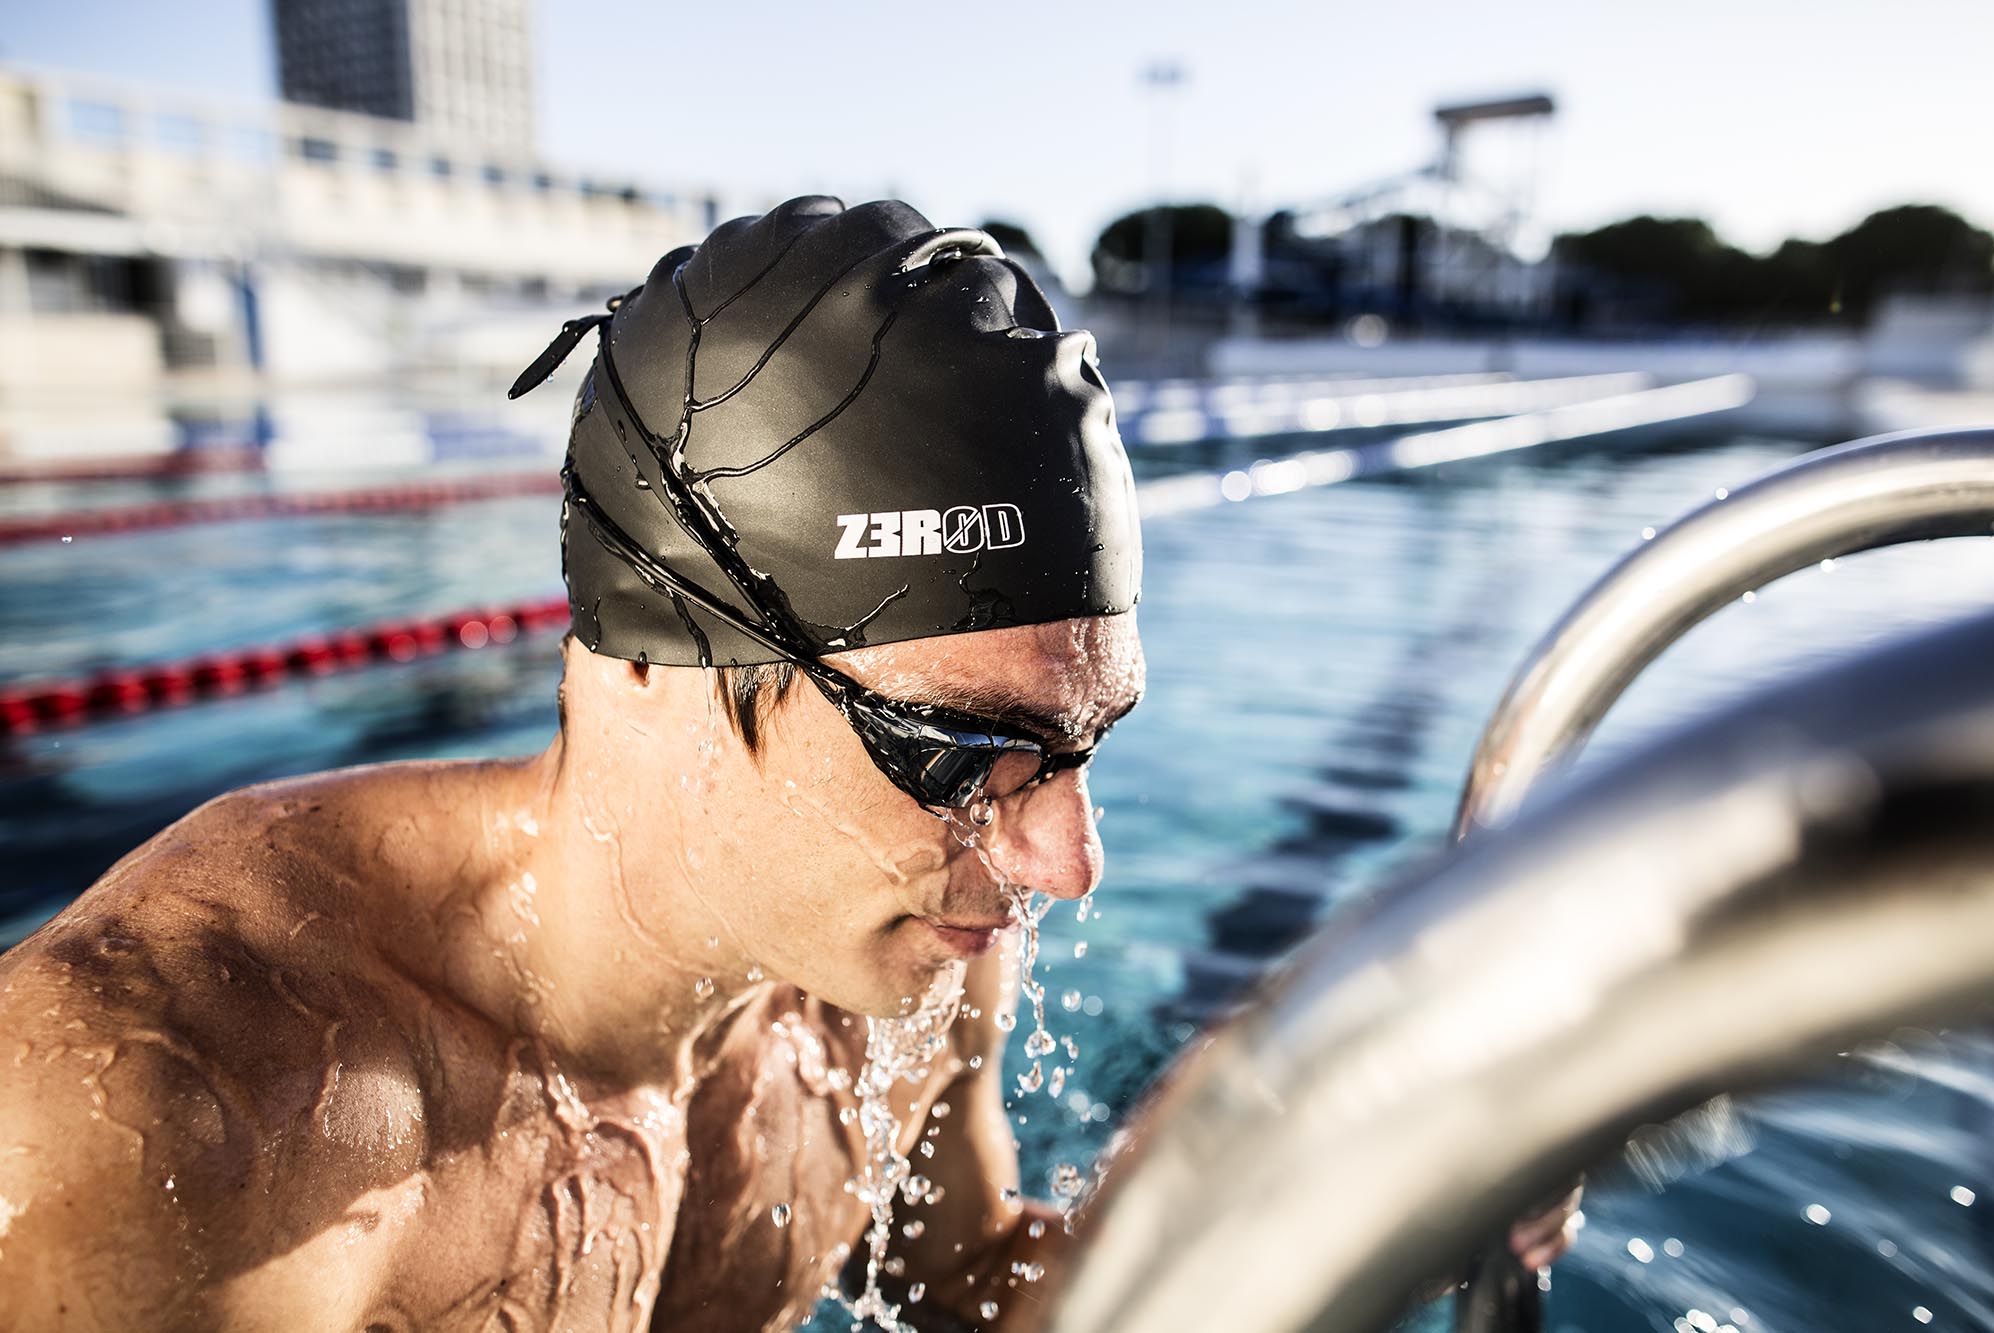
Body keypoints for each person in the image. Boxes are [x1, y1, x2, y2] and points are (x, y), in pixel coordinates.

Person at [0, 197, 1575, 1331]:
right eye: (963, 746)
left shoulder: (910, 945)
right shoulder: (186, 1124)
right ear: (655, 666)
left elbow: (961, 1291)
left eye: (1081, 747)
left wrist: (1252, 1204)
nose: (1060, 858)